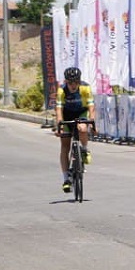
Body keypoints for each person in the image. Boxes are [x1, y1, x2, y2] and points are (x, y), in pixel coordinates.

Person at [53, 66, 96, 194]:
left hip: (81, 113)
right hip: (67, 114)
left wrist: (93, 123)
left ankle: (84, 149)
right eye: (70, 82)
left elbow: (91, 107)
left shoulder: (85, 88)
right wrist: (59, 126)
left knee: (82, 128)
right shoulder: (62, 90)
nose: (73, 85)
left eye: (76, 82)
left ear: (79, 81)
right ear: (66, 82)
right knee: (65, 146)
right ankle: (66, 179)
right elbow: (59, 110)